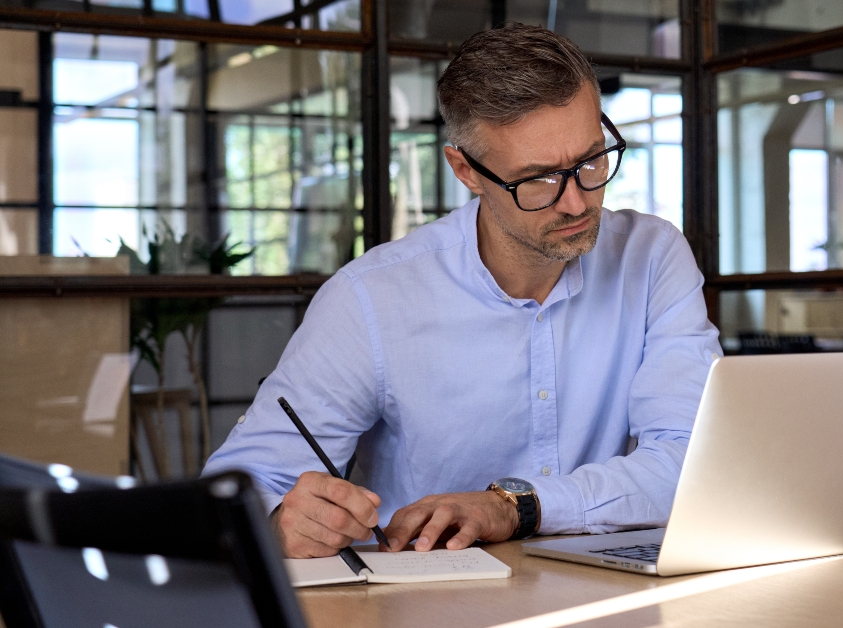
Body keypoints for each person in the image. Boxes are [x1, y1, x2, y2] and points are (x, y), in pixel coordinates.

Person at [203, 23, 720, 559]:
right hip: (427, 602)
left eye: (590, 160)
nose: (576, 202)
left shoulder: (652, 255)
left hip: (611, 594)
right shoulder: (372, 299)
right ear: (466, 171)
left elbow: (694, 460)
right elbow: (237, 488)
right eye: (539, 179)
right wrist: (277, 518)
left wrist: (516, 506)